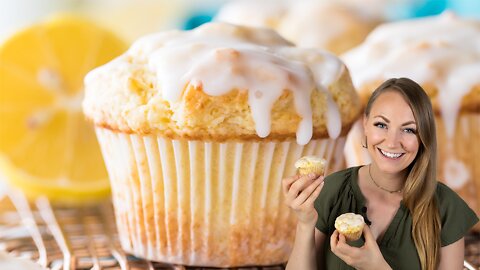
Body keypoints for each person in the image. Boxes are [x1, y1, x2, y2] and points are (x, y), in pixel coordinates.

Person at [282, 78, 479, 270]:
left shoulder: (446, 208)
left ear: (424, 136)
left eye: (409, 129)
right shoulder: (332, 190)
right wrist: (305, 224)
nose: (392, 142)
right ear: (365, 124)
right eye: (381, 125)